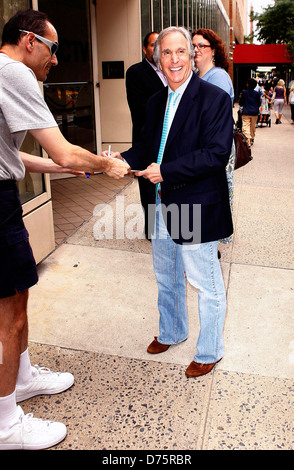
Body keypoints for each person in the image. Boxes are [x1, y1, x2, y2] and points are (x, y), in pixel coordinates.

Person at [0, 9, 129, 451]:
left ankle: (21, 377)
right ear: (29, 40)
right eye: (53, 48)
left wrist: (63, 167)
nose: (56, 59)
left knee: (16, 295)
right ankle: (6, 425)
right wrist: (106, 164)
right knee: (10, 310)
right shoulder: (14, 73)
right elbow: (68, 152)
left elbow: (17, 158)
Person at [110, 27, 233, 378]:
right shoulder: (155, 101)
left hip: (194, 204)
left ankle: (210, 350)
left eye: (182, 52)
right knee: (166, 275)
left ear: (192, 57)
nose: (175, 59)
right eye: (167, 53)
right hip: (163, 203)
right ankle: (173, 331)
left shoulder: (212, 98)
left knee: (204, 283)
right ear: (157, 58)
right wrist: (119, 159)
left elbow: (215, 154)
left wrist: (165, 171)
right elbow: (146, 148)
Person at [191, 28, 234, 245]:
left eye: (202, 46)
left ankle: (212, 242)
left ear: (214, 50)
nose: (196, 50)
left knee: (213, 194)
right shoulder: (196, 76)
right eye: (194, 45)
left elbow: (215, 121)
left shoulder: (218, 77)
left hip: (214, 146)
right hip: (198, 147)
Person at [126, 32, 167, 239]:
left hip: (169, 140)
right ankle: (152, 230)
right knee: (148, 186)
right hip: (147, 138)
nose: (157, 49)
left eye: (160, 45)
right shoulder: (136, 72)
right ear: (145, 49)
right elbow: (140, 110)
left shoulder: (170, 70)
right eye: (153, 45)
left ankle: (169, 226)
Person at [239, 78, 261, 146]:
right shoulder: (257, 93)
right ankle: (251, 138)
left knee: (245, 126)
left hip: (246, 111)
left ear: (247, 84)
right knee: (253, 126)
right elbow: (259, 103)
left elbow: (241, 102)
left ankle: (247, 140)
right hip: (254, 112)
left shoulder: (244, 92)